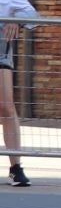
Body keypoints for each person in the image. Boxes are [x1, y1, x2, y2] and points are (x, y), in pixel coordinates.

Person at [1, 20, 25, 186]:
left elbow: (28, 12)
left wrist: (17, 21)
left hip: (1, 53)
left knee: (7, 106)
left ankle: (16, 167)